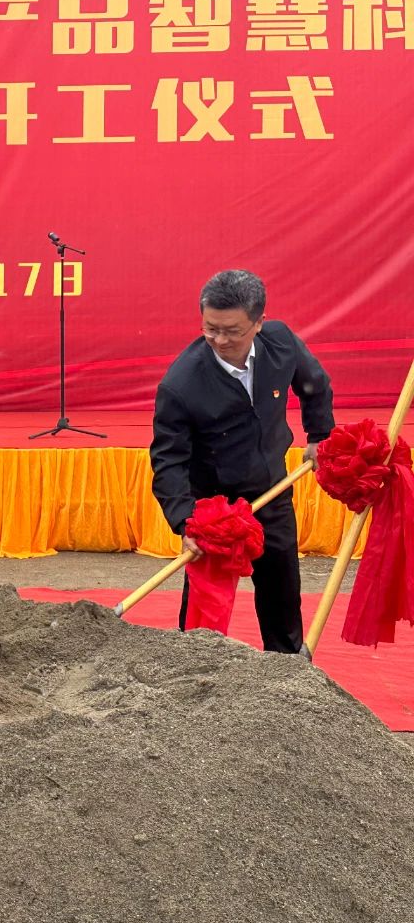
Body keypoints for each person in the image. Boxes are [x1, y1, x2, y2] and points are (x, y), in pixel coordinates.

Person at [150, 268, 335, 654]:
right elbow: (168, 460)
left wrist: (320, 436)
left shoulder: (281, 343)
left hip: (272, 489)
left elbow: (315, 385)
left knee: (282, 590)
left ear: (258, 322)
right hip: (215, 509)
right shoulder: (181, 384)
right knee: (205, 611)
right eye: (210, 329)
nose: (220, 340)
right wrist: (186, 522)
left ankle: (286, 666)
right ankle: (193, 670)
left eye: (232, 331)